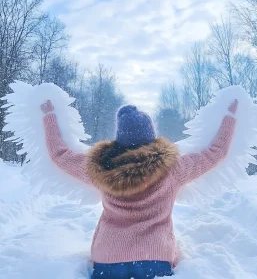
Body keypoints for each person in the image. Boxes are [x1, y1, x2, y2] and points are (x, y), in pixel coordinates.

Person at [41, 99, 238, 279]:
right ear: (152, 136)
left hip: (109, 257)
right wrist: (230, 117)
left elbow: (60, 155)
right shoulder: (174, 169)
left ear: (119, 139)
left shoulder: (100, 170)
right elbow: (216, 152)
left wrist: (48, 116)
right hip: (155, 257)